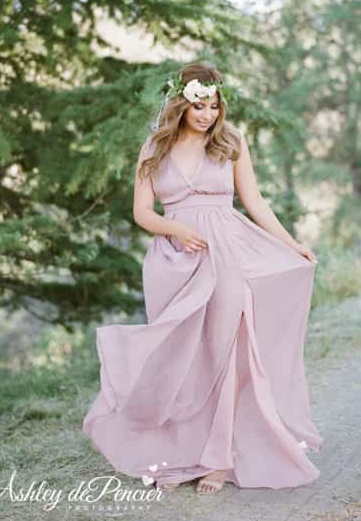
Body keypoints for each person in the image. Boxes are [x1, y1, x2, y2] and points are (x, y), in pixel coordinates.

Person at [82, 62, 322, 495]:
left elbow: (254, 202)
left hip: (226, 255)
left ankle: (218, 458)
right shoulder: (155, 148)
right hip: (173, 261)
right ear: (180, 102)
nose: (208, 114)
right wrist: (177, 228)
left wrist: (291, 243)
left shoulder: (230, 144)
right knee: (179, 358)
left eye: (214, 105)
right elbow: (141, 213)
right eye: (199, 105)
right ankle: (179, 455)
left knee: (224, 352)